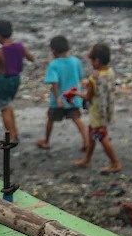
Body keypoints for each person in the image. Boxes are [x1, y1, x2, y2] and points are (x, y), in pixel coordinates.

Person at [0, 20, 35, 143]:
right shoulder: (20, 47)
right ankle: (15, 131)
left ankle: (10, 137)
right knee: (9, 104)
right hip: (16, 79)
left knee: (4, 108)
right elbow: (31, 58)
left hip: (3, 80)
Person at [73, 43, 121, 174]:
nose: (91, 64)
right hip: (106, 109)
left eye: (91, 61)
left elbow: (88, 97)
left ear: (97, 61)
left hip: (97, 112)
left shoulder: (94, 78)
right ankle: (87, 159)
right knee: (92, 135)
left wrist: (75, 93)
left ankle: (115, 163)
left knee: (101, 137)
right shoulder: (110, 72)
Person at [36, 35, 89, 151]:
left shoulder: (54, 65)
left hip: (58, 100)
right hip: (73, 98)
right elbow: (80, 78)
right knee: (76, 118)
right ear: (68, 47)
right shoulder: (75, 61)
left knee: (50, 119)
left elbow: (55, 83)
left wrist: (58, 98)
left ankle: (46, 141)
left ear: (53, 50)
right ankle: (86, 141)